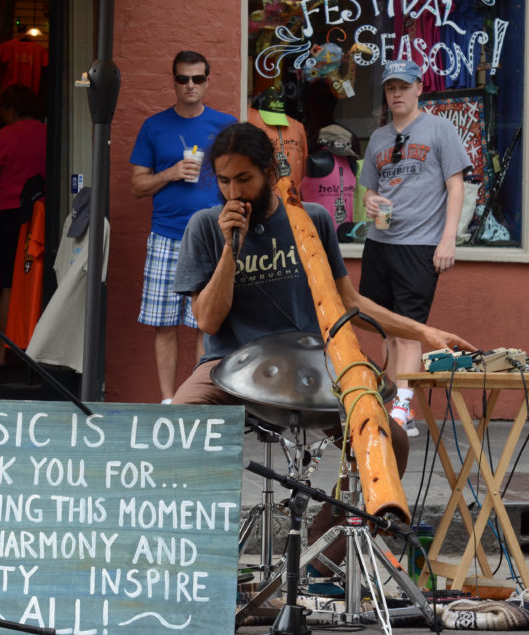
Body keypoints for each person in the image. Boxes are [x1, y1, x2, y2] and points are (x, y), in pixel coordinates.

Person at [171, 122, 475, 566]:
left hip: (311, 365)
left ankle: (322, 551)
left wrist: (424, 333)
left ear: (270, 173)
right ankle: (198, 559)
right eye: (223, 180)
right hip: (230, 365)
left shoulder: (310, 219)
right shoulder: (205, 226)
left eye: (243, 179)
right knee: (178, 422)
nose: (233, 190)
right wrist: (229, 250)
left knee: (389, 440)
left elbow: (348, 300)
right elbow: (208, 319)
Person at [358, 59, 470, 436]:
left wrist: (448, 239)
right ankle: (391, 401)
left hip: (420, 244)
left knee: (409, 331)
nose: (397, 94)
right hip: (379, 242)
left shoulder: (440, 129)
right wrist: (371, 202)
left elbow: (457, 187)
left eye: (404, 87)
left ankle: (404, 411)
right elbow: (371, 191)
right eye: (391, 88)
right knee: (387, 329)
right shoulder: (378, 138)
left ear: (419, 88)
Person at [130, 51, 237, 403]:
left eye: (197, 79)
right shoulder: (154, 127)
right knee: (164, 324)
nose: (190, 85)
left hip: (209, 238)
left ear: (207, 81)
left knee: (206, 325)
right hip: (165, 236)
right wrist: (172, 172)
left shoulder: (224, 125)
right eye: (183, 79)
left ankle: (196, 401)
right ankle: (167, 401)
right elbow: (136, 186)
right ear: (173, 80)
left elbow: (240, 174)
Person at [0, 84, 47, 368]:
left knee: (8, 285)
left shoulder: (5, 135)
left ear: (10, 109)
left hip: (10, 216)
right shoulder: (50, 131)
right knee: (41, 283)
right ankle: (39, 352)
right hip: (43, 215)